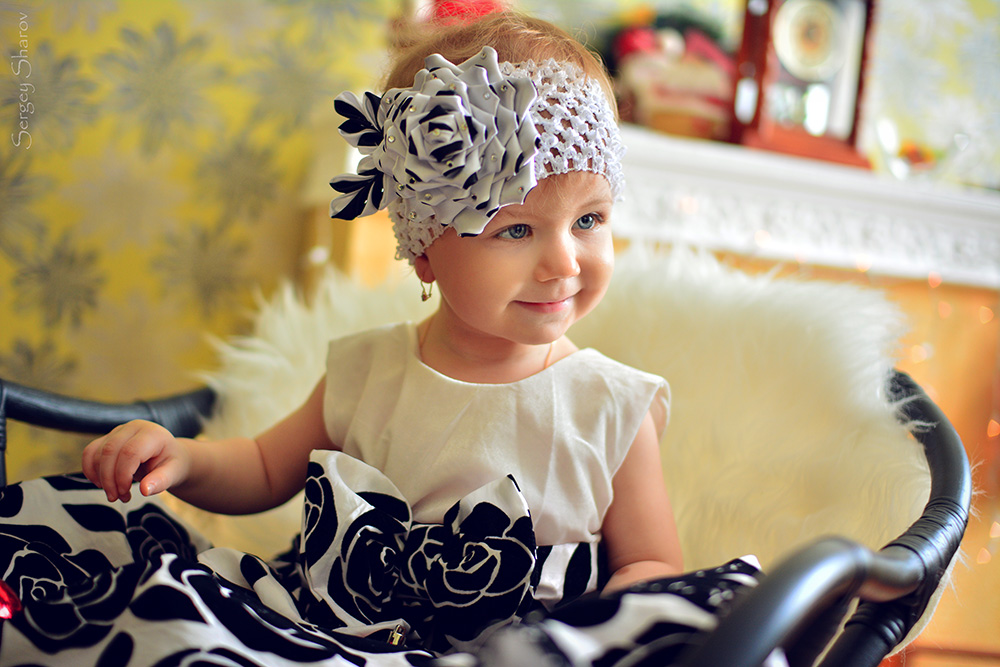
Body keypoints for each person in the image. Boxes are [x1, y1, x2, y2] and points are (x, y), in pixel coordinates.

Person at [0, 11, 764, 667]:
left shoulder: (611, 405)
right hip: (331, 633)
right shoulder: (370, 367)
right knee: (152, 603)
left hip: (526, 650)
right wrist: (184, 458)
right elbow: (262, 466)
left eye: (590, 220)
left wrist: (593, 638)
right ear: (426, 248)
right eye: (517, 229)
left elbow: (651, 563)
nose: (565, 261)